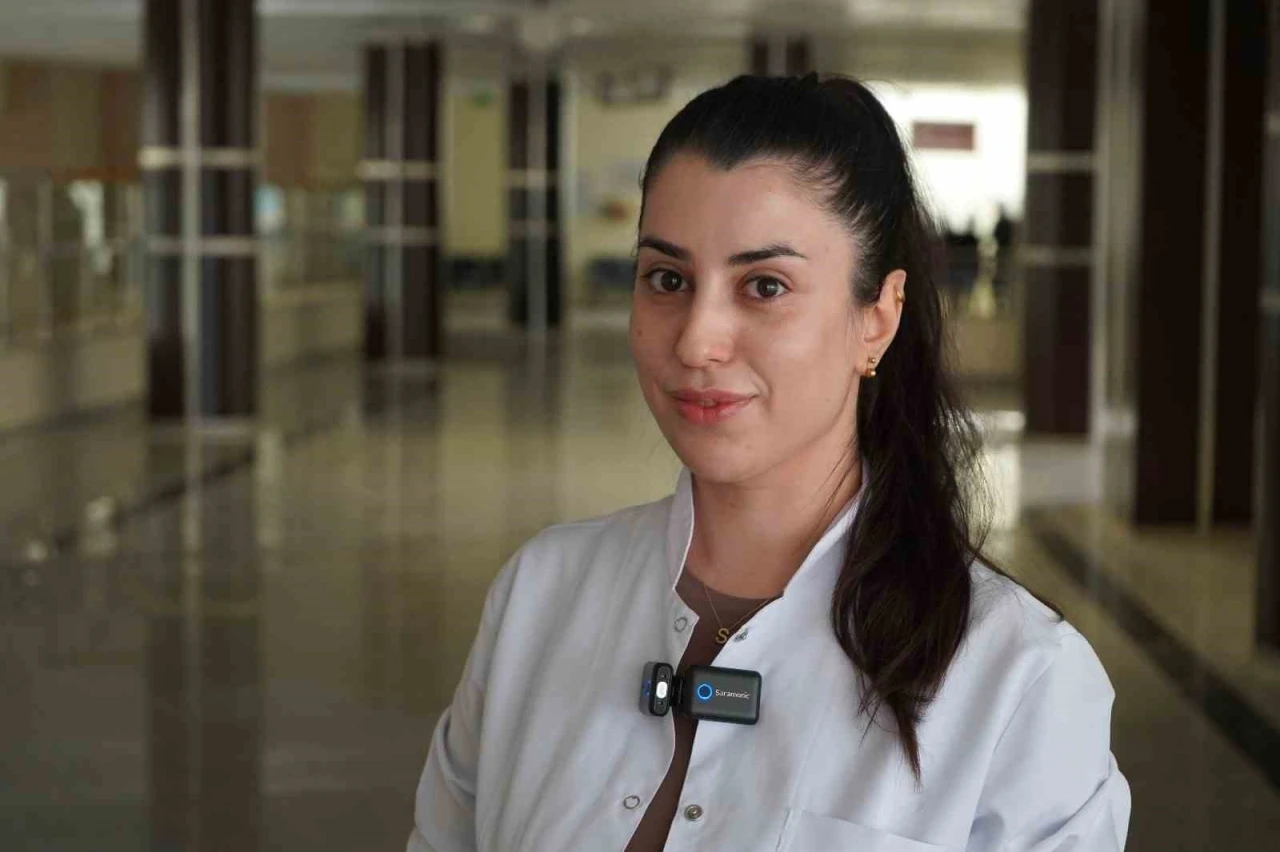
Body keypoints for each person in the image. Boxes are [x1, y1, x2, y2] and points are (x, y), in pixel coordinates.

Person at [408, 74, 1130, 851]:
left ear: (877, 319)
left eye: (764, 285)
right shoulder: (541, 597)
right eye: (667, 279)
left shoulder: (1018, 678)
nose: (697, 340)